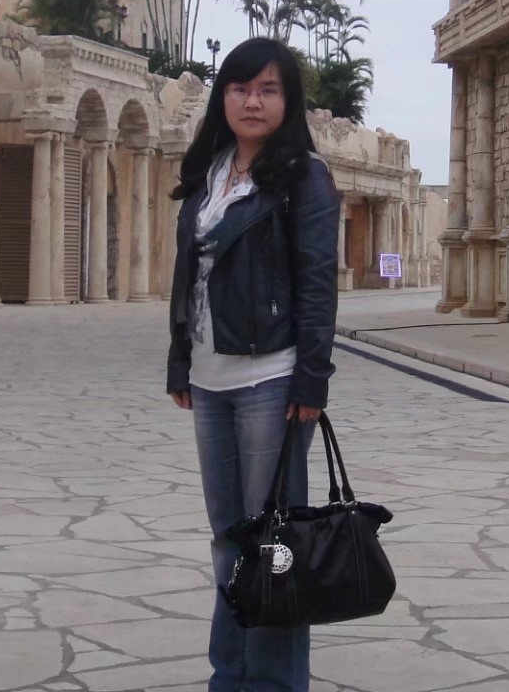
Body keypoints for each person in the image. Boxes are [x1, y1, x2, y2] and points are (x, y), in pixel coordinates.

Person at [167, 37, 340, 692]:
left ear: (287, 101)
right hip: (209, 380)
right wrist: (179, 359)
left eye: (268, 89)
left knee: (273, 544)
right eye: (240, 88)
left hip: (271, 377)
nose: (252, 101)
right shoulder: (209, 172)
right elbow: (190, 276)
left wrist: (312, 379)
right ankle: (229, 676)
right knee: (227, 538)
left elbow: (317, 282)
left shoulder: (304, 177)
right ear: (223, 97)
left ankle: (272, 683)